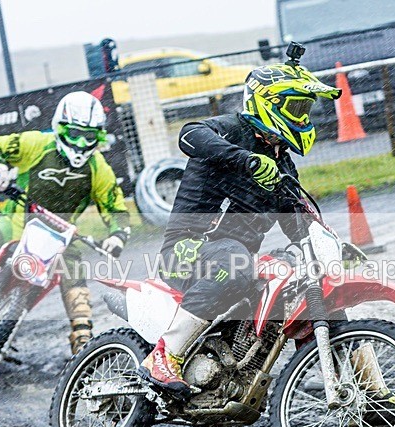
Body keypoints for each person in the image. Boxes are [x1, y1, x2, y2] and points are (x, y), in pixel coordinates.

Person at [137, 62, 341, 400]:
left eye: (307, 108)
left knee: (313, 280)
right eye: (297, 107)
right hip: (187, 252)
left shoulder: (282, 164)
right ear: (268, 102)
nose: (303, 116)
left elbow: (296, 224)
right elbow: (190, 134)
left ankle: (372, 395)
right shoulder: (231, 130)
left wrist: (327, 249)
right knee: (235, 260)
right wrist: (245, 160)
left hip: (235, 258)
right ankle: (164, 356)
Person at [0, 91, 131, 355]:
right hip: (17, 221)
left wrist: (117, 236)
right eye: (75, 134)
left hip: (62, 234)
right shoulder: (36, 143)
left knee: (74, 275)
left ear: (98, 137)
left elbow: (116, 207)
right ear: (60, 128)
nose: (81, 143)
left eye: (89, 136)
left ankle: (82, 334)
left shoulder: (99, 167)